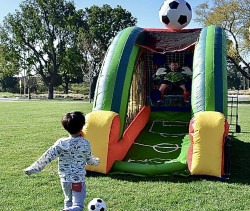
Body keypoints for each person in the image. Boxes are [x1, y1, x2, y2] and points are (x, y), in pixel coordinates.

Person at [23, 111, 100, 211]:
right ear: (82, 127)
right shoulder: (85, 143)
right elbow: (90, 160)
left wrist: (32, 168)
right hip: (78, 180)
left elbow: (46, 157)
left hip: (65, 180)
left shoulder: (61, 143)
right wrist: (96, 161)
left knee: (68, 201)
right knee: (78, 206)